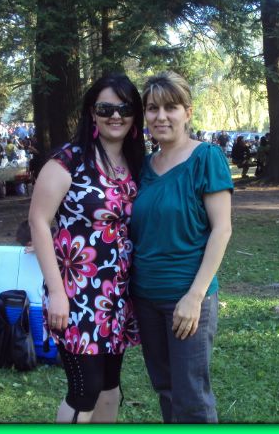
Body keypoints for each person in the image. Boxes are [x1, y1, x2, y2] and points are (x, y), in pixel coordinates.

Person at [28, 73, 145, 423]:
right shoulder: (68, 161)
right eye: (106, 108)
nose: (115, 116)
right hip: (76, 294)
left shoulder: (136, 163)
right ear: (91, 113)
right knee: (85, 390)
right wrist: (56, 293)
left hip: (117, 295)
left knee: (110, 387)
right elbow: (38, 222)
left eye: (124, 108)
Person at [130, 71, 233, 423]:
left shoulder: (206, 157)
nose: (161, 116)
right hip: (145, 296)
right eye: (152, 108)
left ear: (188, 112)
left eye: (170, 107)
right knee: (165, 388)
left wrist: (195, 296)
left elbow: (222, 229)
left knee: (191, 397)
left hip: (187, 296)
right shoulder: (143, 166)